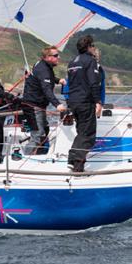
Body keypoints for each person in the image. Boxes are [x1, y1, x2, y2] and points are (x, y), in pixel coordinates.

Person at [66, 35, 102, 173]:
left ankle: (76, 164)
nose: (94, 49)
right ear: (88, 47)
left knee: (82, 132)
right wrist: (98, 102)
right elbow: (93, 83)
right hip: (85, 102)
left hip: (73, 101)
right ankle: (74, 161)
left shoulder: (72, 62)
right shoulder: (90, 61)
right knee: (88, 135)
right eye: (93, 46)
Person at [21, 46, 66, 155]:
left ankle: (39, 155)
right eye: (55, 56)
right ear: (47, 57)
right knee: (38, 134)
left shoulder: (43, 65)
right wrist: (57, 105)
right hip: (33, 105)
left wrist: (58, 80)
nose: (58, 57)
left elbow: (44, 78)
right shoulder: (43, 69)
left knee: (45, 130)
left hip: (36, 104)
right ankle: (25, 159)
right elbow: (46, 89)